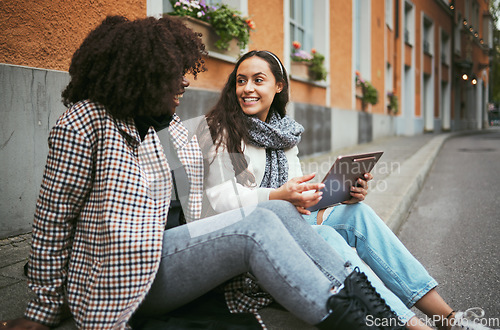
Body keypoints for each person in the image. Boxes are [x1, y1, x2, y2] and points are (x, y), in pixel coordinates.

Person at [0, 16, 406, 330]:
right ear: (141, 71)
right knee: (258, 225)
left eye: (183, 70)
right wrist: (40, 311)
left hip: (167, 254)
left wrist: (311, 198)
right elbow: (51, 223)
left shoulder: (170, 127)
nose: (183, 80)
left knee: (275, 216)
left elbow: (209, 206)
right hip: (113, 277)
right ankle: (359, 323)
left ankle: (378, 315)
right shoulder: (84, 123)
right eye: (172, 72)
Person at [202, 50, 492, 330]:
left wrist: (341, 192)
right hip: (251, 239)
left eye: (257, 79)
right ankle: (410, 325)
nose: (247, 88)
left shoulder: (283, 134)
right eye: (241, 80)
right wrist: (279, 195)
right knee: (326, 235)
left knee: (357, 212)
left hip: (288, 222)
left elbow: (297, 194)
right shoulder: (224, 130)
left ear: (278, 86)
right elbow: (221, 200)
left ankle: (448, 319)